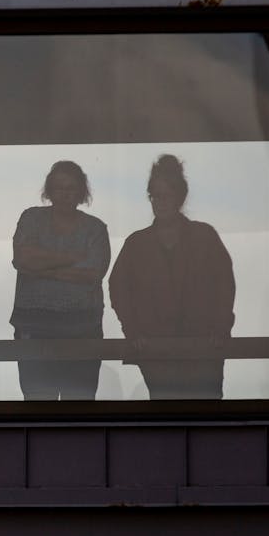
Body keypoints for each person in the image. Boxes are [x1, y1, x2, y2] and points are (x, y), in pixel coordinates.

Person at [108, 154, 235, 399]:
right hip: (156, 352)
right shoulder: (137, 243)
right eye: (154, 196)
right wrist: (133, 330)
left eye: (165, 195)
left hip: (203, 349)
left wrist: (220, 327)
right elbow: (118, 289)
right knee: (165, 417)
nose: (159, 201)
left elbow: (225, 286)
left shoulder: (204, 237)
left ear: (180, 197)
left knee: (207, 417)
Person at [10, 160, 110, 399]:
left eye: (71, 188)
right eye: (58, 187)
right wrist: (72, 258)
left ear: (81, 191)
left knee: (78, 414)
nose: (64, 194)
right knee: (37, 411)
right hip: (34, 334)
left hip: (84, 332)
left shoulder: (95, 229)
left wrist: (44, 270)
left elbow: (93, 273)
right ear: (49, 190)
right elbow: (23, 259)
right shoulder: (31, 218)